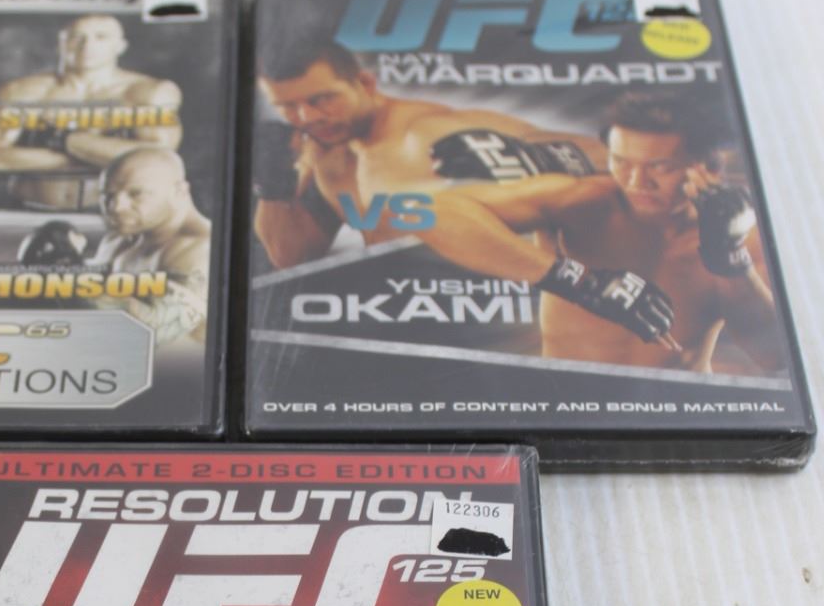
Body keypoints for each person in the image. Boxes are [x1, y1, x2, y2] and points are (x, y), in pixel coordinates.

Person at [254, 40, 675, 349]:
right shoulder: (321, 148)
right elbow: (293, 256)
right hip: (420, 327)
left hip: (513, 325)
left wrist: (537, 159)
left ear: (364, 83)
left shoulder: (419, 136)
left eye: (322, 98)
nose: (307, 116)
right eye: (288, 106)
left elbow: (611, 163)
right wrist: (273, 188)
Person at [457, 91, 782, 372]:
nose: (636, 182)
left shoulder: (746, 234)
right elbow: (448, 213)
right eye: (621, 162)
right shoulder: (580, 202)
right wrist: (578, 281)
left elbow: (774, 356)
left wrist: (729, 256)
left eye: (660, 167)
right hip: (569, 401)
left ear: (709, 167)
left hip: (677, 409)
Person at [0, 15, 183, 209]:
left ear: (120, 46)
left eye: (101, 37)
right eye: (76, 37)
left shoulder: (148, 92)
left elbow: (157, 159)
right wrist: (93, 155)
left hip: (114, 213)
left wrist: (65, 141)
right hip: (27, 208)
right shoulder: (21, 91)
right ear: (61, 44)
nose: (87, 46)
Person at [95, 147, 212, 343]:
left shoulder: (200, 248)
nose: (116, 207)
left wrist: (74, 290)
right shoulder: (118, 240)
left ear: (179, 191)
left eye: (136, 193)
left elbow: (166, 332)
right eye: (108, 195)